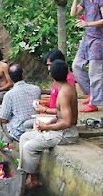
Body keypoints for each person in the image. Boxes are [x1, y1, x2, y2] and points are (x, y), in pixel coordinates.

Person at [18, 59, 79, 189]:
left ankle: (33, 179)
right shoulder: (65, 87)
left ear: (50, 74)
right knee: (24, 137)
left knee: (29, 146)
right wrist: (50, 120)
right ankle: (27, 174)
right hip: (60, 128)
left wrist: (46, 127)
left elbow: (68, 122)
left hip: (67, 134)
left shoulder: (64, 93)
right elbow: (61, 113)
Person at [71, 0, 103, 112]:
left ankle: (94, 103)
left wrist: (87, 23)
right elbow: (73, 13)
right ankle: (91, 93)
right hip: (87, 38)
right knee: (76, 66)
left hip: (99, 39)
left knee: (94, 72)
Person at [0, 64, 41, 147]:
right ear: (23, 75)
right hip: (35, 125)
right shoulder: (36, 89)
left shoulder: (9, 94)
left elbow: (4, 119)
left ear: (10, 78)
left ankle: (8, 143)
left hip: (19, 131)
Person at [35, 49, 75, 115]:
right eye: (48, 65)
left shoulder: (66, 82)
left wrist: (45, 110)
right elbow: (58, 103)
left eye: (50, 65)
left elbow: (64, 112)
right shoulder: (58, 77)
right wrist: (45, 103)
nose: (49, 68)